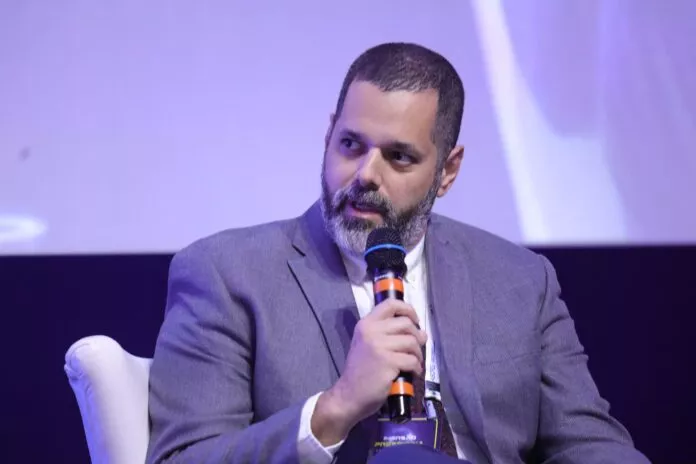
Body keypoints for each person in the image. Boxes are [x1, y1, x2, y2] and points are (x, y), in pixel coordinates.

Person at [146, 42, 651, 463]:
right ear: (328, 135)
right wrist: (337, 406)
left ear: (447, 171)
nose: (366, 174)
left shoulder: (520, 280)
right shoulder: (228, 274)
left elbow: (590, 445)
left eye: (399, 156)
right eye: (350, 144)